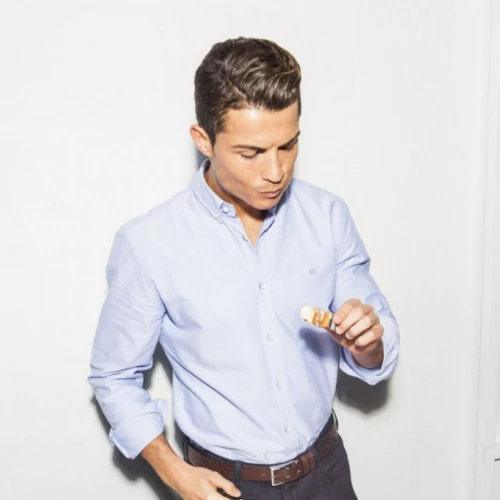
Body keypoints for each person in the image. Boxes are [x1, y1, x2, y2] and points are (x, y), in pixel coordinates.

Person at [88, 37, 400, 500]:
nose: (276, 171)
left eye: (288, 145)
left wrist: (368, 342)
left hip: (328, 474)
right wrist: (174, 472)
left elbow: (376, 353)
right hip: (227, 487)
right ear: (203, 141)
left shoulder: (328, 217)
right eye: (250, 153)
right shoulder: (149, 244)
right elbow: (114, 376)